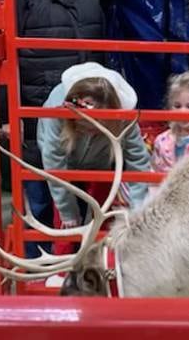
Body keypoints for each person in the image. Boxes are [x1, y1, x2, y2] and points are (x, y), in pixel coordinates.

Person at [13, 0, 107, 253]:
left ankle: (80, 276)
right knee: (40, 199)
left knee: (84, 200)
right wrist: (9, 116)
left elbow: (101, 53)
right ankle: (37, 277)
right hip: (38, 116)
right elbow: (3, 57)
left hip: (86, 118)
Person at [37, 63, 151, 254]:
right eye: (84, 126)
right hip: (64, 163)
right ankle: (62, 265)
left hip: (103, 164)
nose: (90, 130)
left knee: (103, 215)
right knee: (64, 219)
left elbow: (137, 159)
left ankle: (99, 262)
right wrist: (67, 212)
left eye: (98, 126)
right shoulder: (57, 108)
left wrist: (137, 208)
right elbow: (53, 161)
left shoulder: (124, 114)